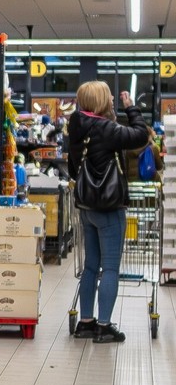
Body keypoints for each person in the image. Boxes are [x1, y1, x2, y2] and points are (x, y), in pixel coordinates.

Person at [67, 81, 151, 343]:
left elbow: (72, 168)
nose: (114, 99)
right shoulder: (106, 128)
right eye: (110, 97)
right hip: (109, 207)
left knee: (91, 266)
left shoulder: (76, 126)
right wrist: (131, 108)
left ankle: (86, 322)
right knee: (111, 268)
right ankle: (104, 326)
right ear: (100, 101)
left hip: (87, 207)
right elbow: (141, 135)